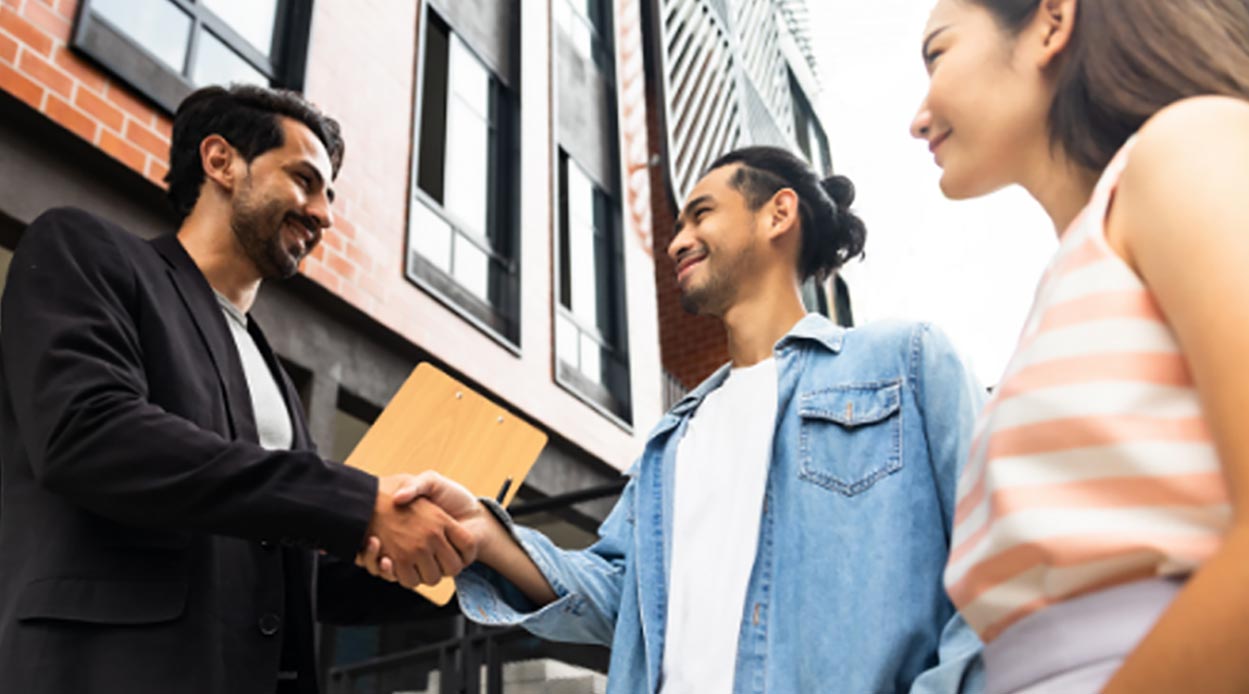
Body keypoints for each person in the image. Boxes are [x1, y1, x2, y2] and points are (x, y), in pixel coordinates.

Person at [360, 146, 986, 693]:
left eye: (701, 214)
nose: (676, 240)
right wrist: (483, 532)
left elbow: (1003, 561)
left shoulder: (905, 362)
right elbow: (620, 598)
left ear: (778, 214)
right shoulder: (672, 440)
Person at [0, 84, 474, 694]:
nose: (325, 214)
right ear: (221, 161)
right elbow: (89, 433)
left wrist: (461, 563)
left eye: (330, 196)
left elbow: (298, 572)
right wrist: (354, 501)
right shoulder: (87, 251)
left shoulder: (266, 364)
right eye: (304, 180)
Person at [911, 0, 1249, 691]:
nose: (916, 117)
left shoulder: (1188, 147)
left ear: (1050, 22)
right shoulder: (1072, 277)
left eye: (936, 54)